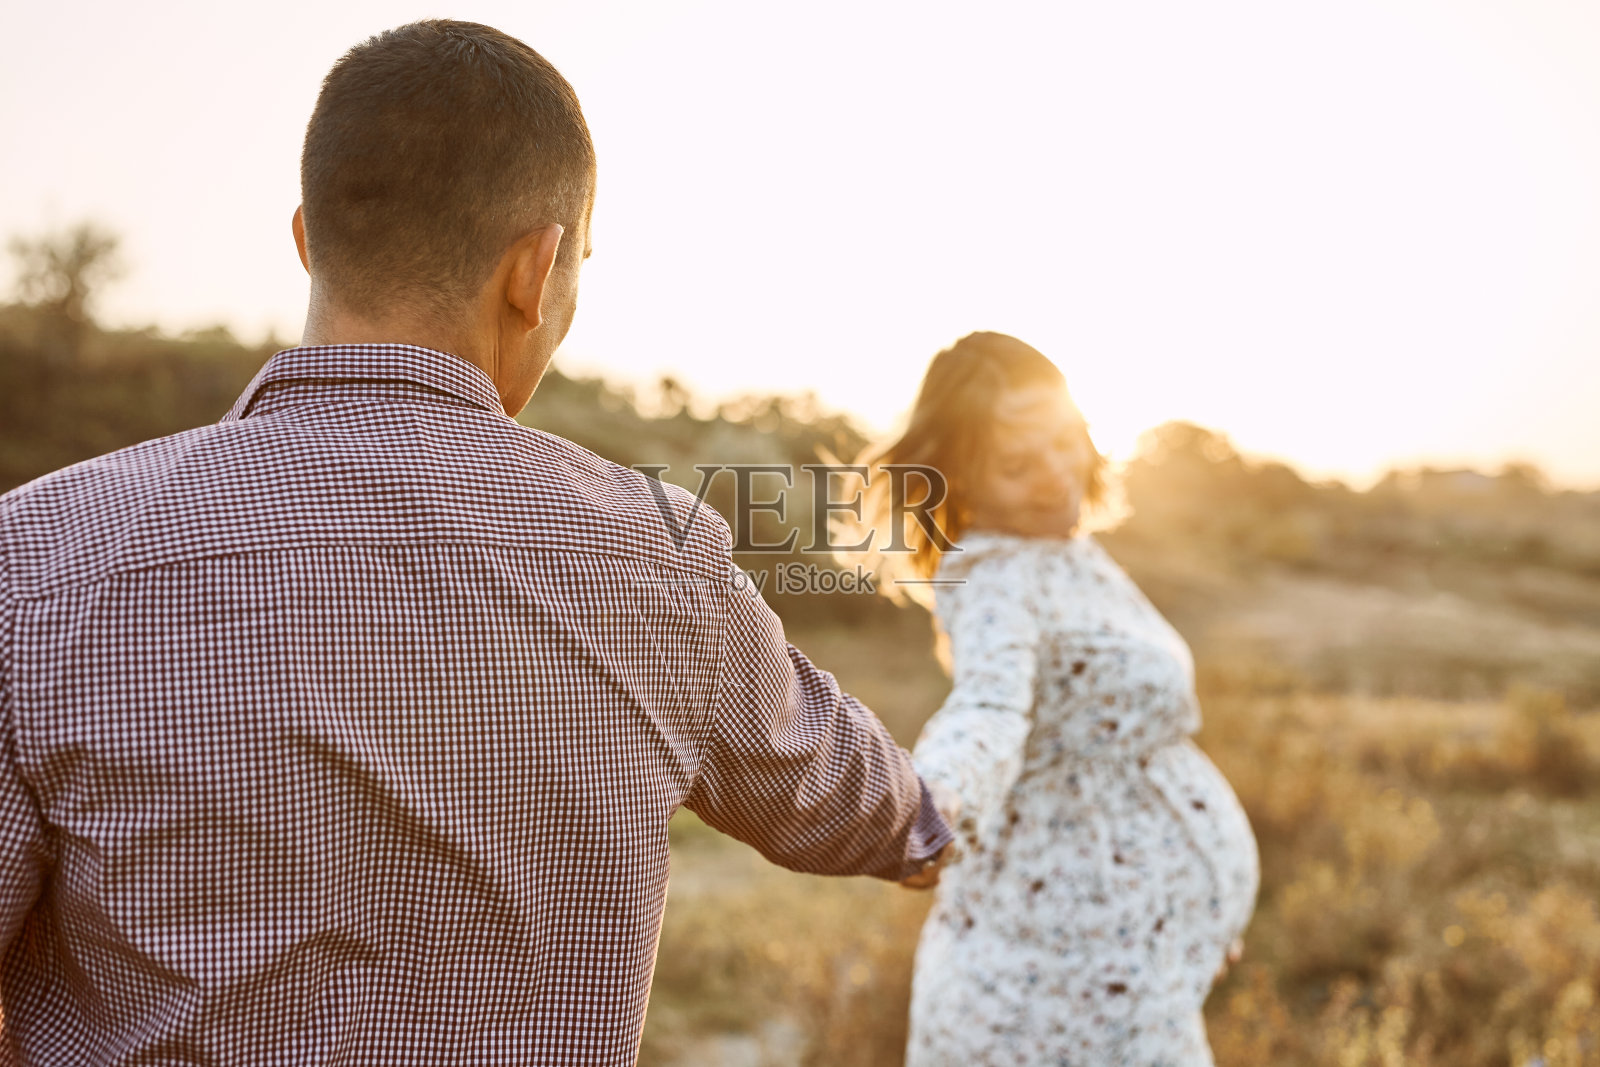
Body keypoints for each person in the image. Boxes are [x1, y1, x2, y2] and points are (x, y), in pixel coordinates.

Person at [0, 21, 950, 1065]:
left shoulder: (36, 555)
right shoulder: (660, 556)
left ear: (310, 235)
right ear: (535, 271)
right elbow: (869, 811)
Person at [859, 332, 1258, 1066]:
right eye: (1016, 464)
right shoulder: (995, 576)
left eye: (1065, 439)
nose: (1055, 475)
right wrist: (933, 800)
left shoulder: (1067, 553)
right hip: (1044, 995)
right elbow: (988, 707)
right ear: (961, 481)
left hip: (1121, 971)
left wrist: (1190, 917)